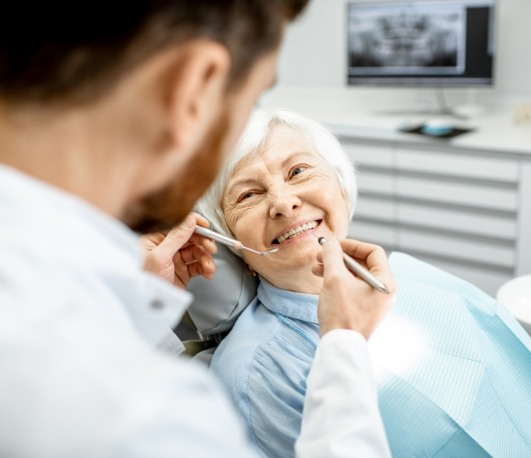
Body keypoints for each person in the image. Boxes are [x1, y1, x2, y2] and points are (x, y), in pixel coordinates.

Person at [0, 2, 398, 457]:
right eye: (252, 99)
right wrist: (344, 345)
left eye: (300, 171)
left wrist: (133, 307)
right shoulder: (147, 414)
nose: (285, 201)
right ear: (195, 87)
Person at [197, 108, 531, 458]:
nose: (284, 202)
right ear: (229, 239)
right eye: (248, 195)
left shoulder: (410, 274)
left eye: (298, 171)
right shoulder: (256, 373)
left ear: (341, 184)